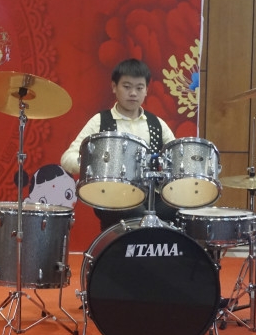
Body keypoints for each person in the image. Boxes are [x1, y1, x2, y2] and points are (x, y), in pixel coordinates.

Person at [60, 58, 178, 231]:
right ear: (114, 87)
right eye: (127, 86)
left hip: (152, 196)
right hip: (112, 194)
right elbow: (67, 158)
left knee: (180, 210)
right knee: (138, 215)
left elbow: (175, 156)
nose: (133, 93)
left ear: (147, 90)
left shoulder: (156, 124)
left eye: (139, 88)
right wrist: (96, 165)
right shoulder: (100, 121)